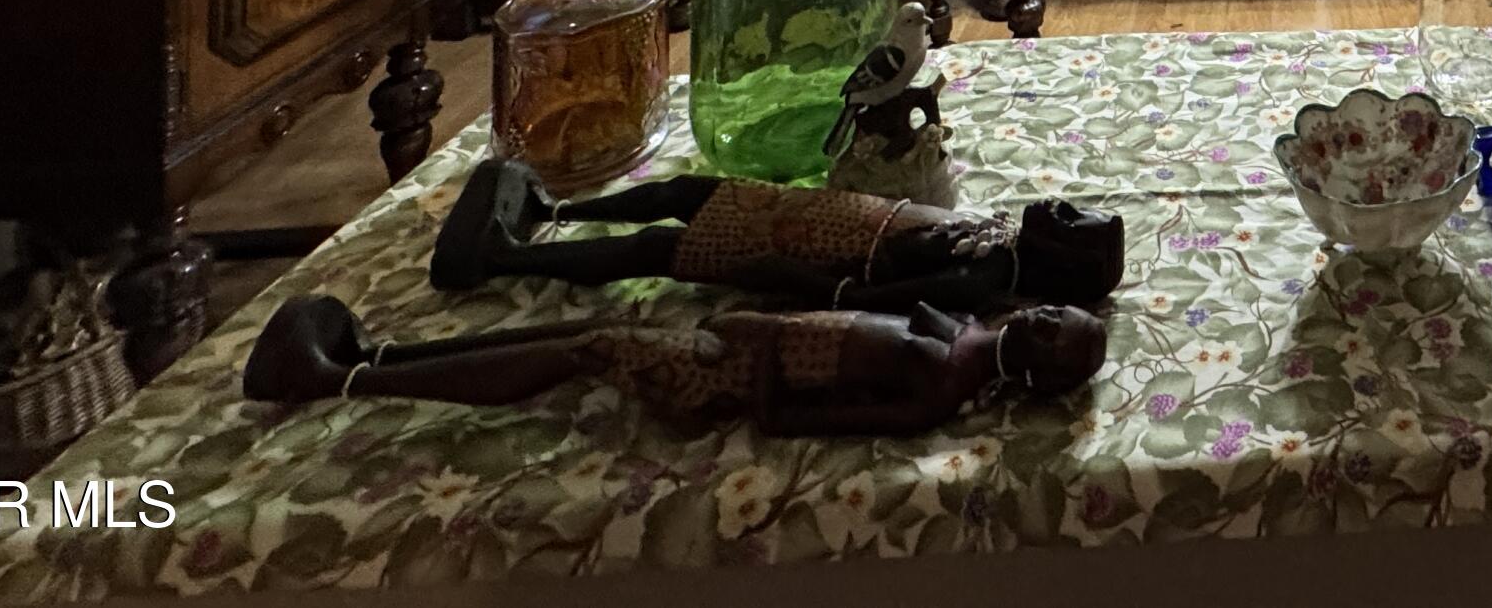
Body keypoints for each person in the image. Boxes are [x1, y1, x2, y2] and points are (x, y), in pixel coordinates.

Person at [243, 291, 1105, 437]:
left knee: (575, 352)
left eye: (1054, 332)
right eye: (1057, 313)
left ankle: (334, 379)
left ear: (1044, 370)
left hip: (721, 378)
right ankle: (382, 351)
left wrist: (757, 363)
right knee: (586, 327)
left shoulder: (942, 386)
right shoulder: (965, 334)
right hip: (735, 340)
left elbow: (790, 418)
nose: (1045, 318)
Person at [428, 157, 1123, 313]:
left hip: (814, 249)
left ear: (1061, 261)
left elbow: (876, 297)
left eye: (1068, 221)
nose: (1057, 206)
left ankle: (500, 256)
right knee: (684, 193)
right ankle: (555, 213)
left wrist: (792, 279)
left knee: (656, 252)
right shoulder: (1000, 241)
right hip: (826, 216)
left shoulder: (985, 278)